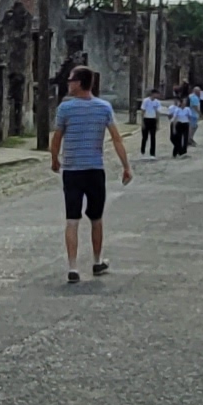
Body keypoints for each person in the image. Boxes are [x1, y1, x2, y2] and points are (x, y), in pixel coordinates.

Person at [43, 65, 135, 284]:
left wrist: (55, 159)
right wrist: (126, 166)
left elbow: (57, 138)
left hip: (72, 170)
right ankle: (96, 261)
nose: (68, 83)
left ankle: (73, 267)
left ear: (79, 82)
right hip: (94, 170)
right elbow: (116, 138)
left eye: (71, 80)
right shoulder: (104, 107)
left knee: (72, 220)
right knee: (96, 218)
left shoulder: (65, 108)